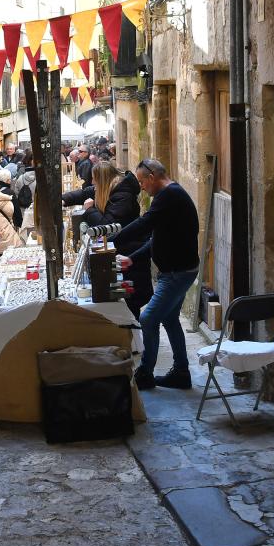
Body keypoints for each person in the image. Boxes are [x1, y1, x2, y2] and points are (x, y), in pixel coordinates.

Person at [111, 159, 199, 391]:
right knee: (169, 319)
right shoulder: (169, 197)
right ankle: (181, 372)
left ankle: (146, 373)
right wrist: (133, 257)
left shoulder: (170, 196)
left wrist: (113, 240)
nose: (141, 186)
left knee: (148, 318)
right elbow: (156, 239)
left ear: (152, 177)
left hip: (176, 273)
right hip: (177, 271)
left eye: (141, 181)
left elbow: (144, 224)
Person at [62, 161, 151, 317]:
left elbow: (107, 227)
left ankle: (133, 334)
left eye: (94, 179)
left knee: (129, 301)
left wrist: (89, 210)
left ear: (102, 180)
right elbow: (85, 192)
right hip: (120, 255)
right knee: (120, 298)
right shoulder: (110, 189)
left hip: (129, 258)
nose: (92, 183)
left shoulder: (123, 196)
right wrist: (63, 199)